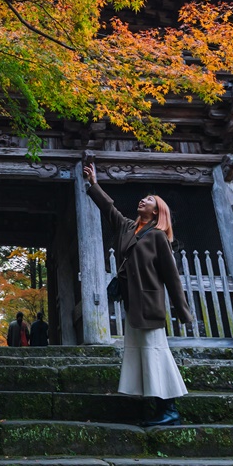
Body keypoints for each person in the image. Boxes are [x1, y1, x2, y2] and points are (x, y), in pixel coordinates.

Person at [83, 162, 194, 427]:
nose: (143, 200)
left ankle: (170, 409)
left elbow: (171, 276)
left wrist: (182, 311)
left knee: (156, 352)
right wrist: (94, 184)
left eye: (149, 200)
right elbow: (109, 209)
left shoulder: (157, 237)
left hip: (150, 303)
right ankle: (154, 405)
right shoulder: (127, 228)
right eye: (144, 198)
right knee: (141, 353)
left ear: (157, 212)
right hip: (133, 304)